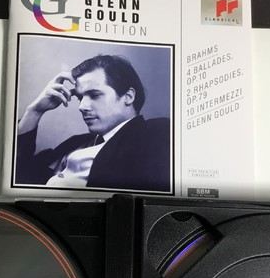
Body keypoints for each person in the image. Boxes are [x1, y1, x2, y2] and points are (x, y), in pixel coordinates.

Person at [15, 54, 170, 192]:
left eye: (94, 95)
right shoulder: (75, 143)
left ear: (128, 96)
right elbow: (19, 176)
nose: (82, 106)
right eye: (79, 97)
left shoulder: (157, 134)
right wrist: (34, 111)